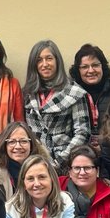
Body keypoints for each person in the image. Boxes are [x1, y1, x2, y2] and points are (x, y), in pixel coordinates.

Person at [23, 39, 90, 172]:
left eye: (49, 58)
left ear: (57, 61)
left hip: (66, 163)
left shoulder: (74, 92)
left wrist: (59, 161)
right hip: (35, 164)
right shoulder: (27, 93)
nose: (45, 64)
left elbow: (82, 133)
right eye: (39, 60)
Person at [70, 43, 110, 150]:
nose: (91, 70)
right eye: (84, 67)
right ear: (78, 71)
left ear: (103, 66)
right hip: (81, 155)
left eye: (95, 65)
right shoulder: (71, 96)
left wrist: (104, 143)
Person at [0, 120, 43, 200]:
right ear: (5, 145)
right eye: (12, 141)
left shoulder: (44, 170)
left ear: (31, 145)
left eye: (23, 141)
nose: (18, 146)